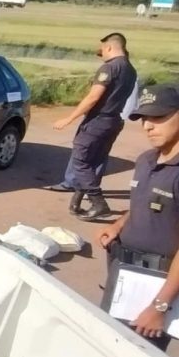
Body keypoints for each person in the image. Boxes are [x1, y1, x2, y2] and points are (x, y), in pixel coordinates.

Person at [96, 84, 179, 351]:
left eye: (158, 118)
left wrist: (160, 306)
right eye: (144, 118)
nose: (148, 126)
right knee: (107, 348)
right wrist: (118, 224)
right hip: (125, 273)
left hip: (157, 284)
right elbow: (142, 204)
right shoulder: (147, 159)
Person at [49, 32, 137, 220]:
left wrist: (69, 118)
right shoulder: (130, 69)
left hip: (98, 121)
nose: (102, 54)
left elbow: (93, 97)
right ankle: (77, 202)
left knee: (80, 162)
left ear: (110, 48)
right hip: (114, 120)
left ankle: (98, 203)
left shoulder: (110, 67)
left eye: (103, 50)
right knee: (94, 161)